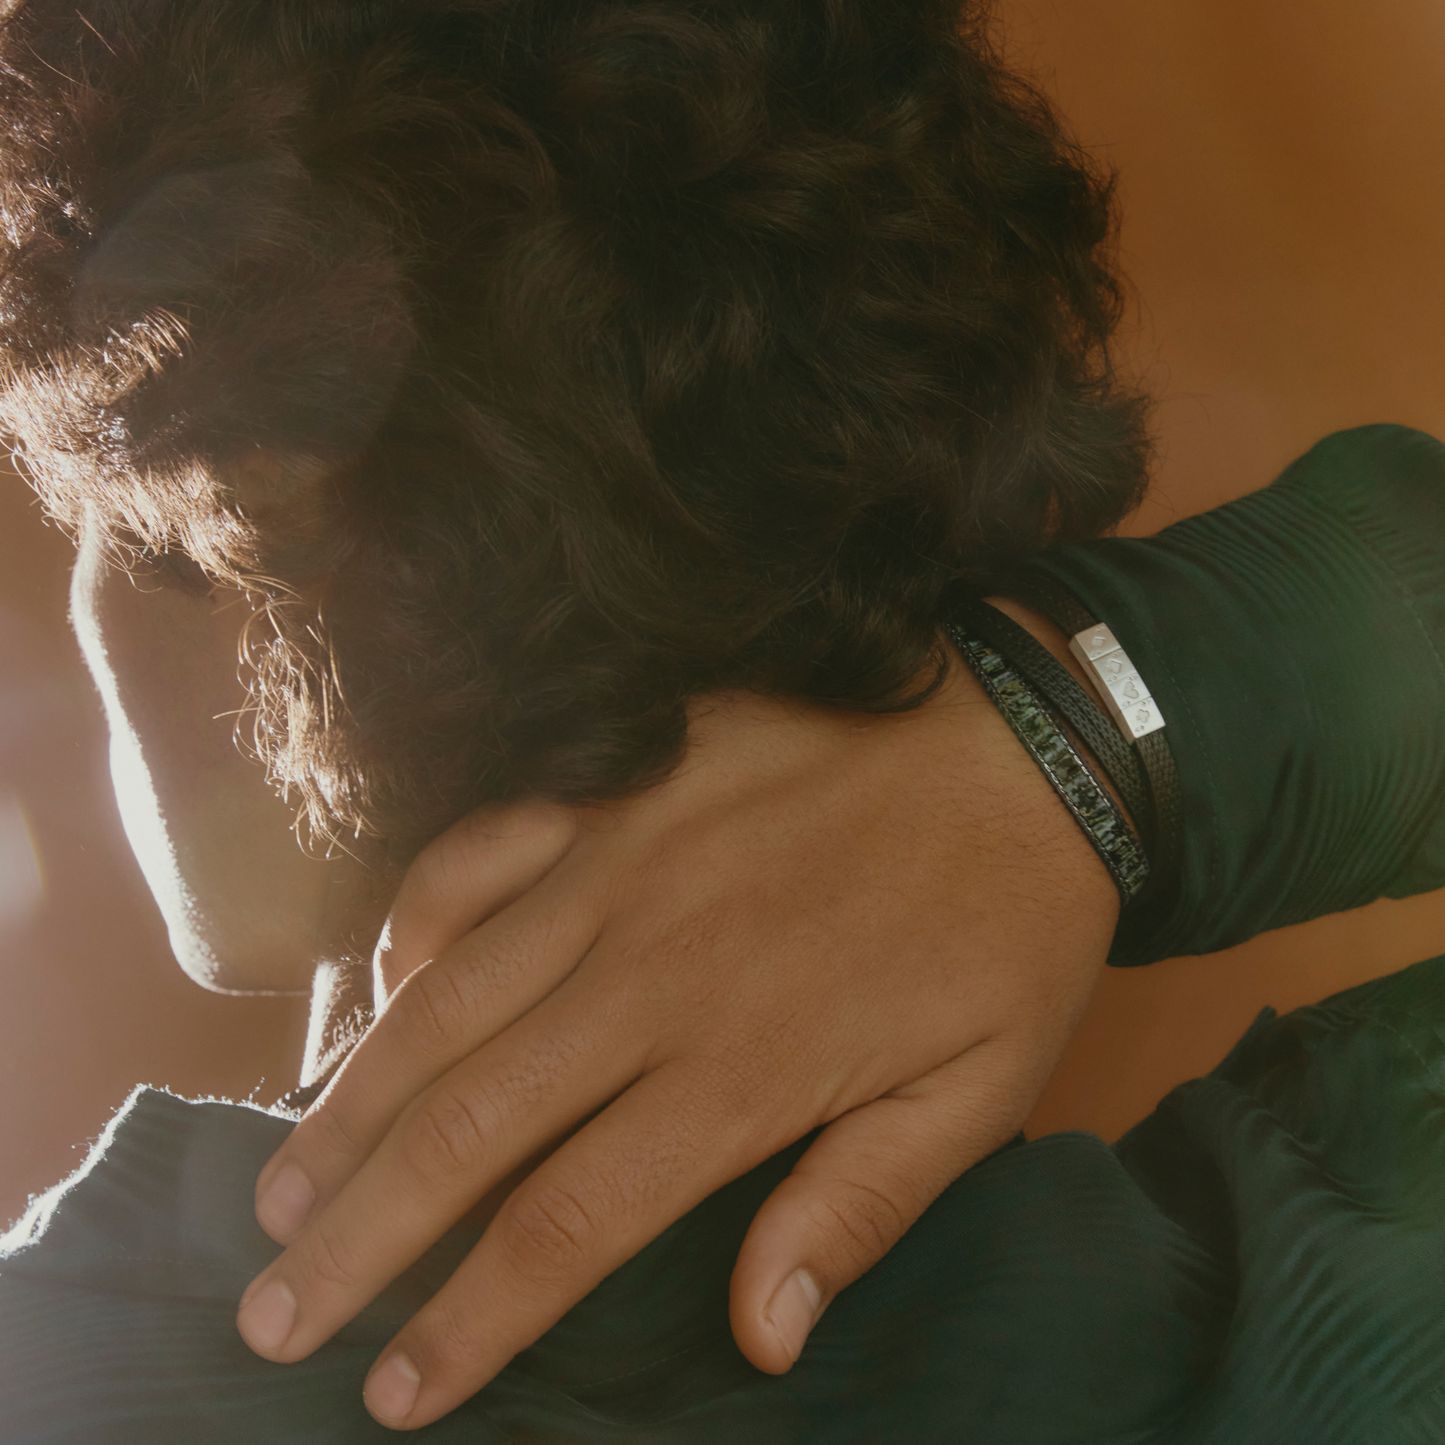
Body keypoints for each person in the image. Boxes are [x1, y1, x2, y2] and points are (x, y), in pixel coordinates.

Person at [2, 2, 1445, 1442]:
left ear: (234, 515)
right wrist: (1091, 722)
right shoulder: (1324, 1322)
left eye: (81, 519)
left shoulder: (53, 1382)